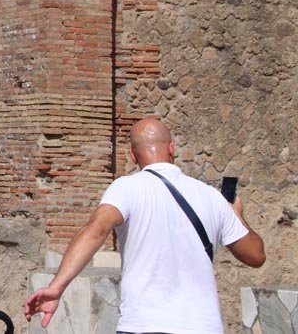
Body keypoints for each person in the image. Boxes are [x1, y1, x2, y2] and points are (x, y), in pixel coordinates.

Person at [25, 116, 265, 334]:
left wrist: (56, 287)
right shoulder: (211, 196)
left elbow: (95, 231)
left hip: (144, 325)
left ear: (132, 155)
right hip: (204, 327)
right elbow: (256, 256)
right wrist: (237, 215)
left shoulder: (126, 188)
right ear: (172, 149)